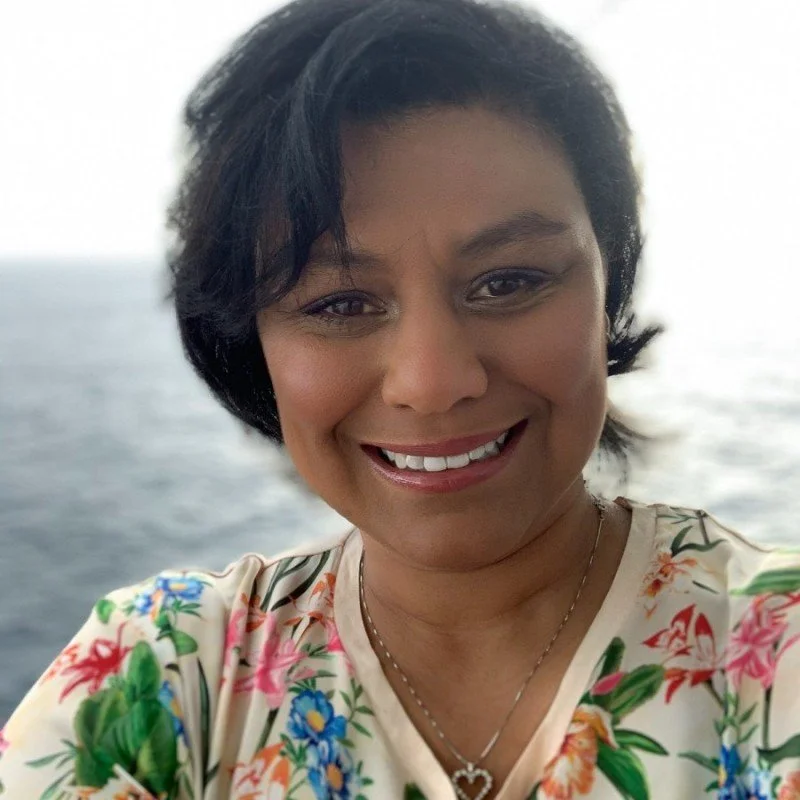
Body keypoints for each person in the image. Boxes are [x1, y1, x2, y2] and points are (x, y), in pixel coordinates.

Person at [2, 0, 799, 797]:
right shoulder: (164, 680)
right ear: (256, 344)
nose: (433, 380)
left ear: (606, 292)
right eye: (339, 304)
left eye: (509, 281)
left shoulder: (776, 651)